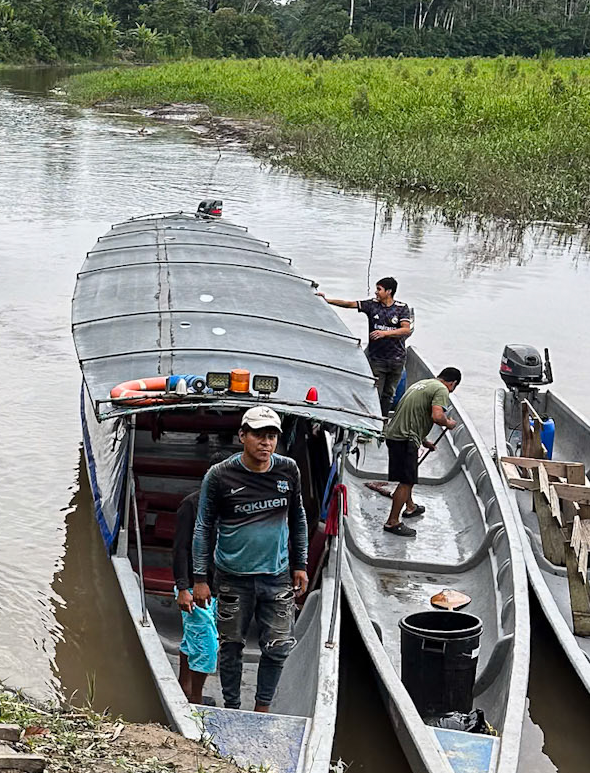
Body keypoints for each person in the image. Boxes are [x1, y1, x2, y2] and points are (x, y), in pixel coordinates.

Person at [191, 406, 308, 714]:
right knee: (230, 647)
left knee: (279, 647)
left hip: (277, 575)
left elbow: (298, 518)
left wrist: (301, 564)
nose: (265, 443)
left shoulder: (288, 470)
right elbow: (203, 527)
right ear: (242, 435)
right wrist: (200, 579)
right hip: (232, 577)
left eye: (271, 437)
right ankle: (231, 707)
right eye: (258, 435)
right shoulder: (219, 476)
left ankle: (262, 709)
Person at [381, 367, 461, 536]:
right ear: (452, 383)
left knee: (406, 477)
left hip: (394, 435)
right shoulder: (441, 390)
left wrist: (424, 442)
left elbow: (413, 414)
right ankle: (392, 522)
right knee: (407, 481)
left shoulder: (423, 384)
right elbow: (437, 416)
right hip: (405, 439)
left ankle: (410, 507)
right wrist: (449, 424)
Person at [322, 276, 413, 413]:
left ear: (389, 291)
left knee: (389, 394)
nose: (376, 292)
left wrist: (384, 333)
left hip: (397, 360)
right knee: (375, 393)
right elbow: (349, 304)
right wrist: (326, 300)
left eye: (379, 289)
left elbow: (406, 329)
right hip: (377, 359)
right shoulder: (372, 305)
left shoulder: (401, 308)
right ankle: (372, 418)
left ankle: (383, 420)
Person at [172, 491, 219, 702]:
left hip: (221, 584)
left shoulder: (236, 502)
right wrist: (183, 588)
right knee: (207, 646)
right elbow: (180, 548)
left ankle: (184, 686)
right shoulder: (191, 504)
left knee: (194, 638)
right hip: (194, 586)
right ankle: (196, 700)